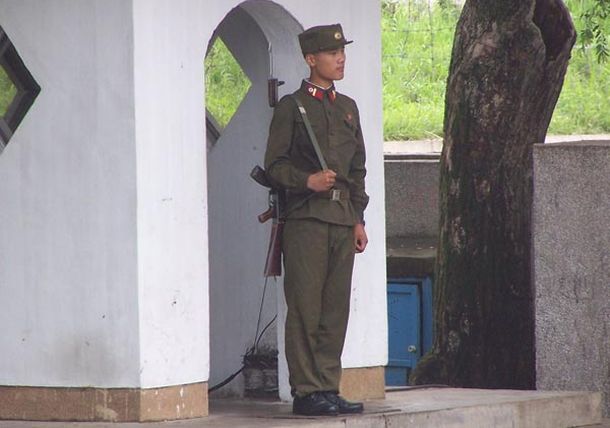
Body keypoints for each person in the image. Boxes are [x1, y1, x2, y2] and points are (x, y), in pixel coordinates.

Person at [264, 23, 369, 417]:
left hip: (342, 220)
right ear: (311, 60)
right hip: (307, 218)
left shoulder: (348, 108)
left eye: (342, 52)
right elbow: (273, 164)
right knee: (306, 306)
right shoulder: (293, 107)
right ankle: (307, 390)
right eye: (331, 53)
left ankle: (328, 385)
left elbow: (357, 169)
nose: (340, 58)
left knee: (334, 309)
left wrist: (358, 218)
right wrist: (305, 180)